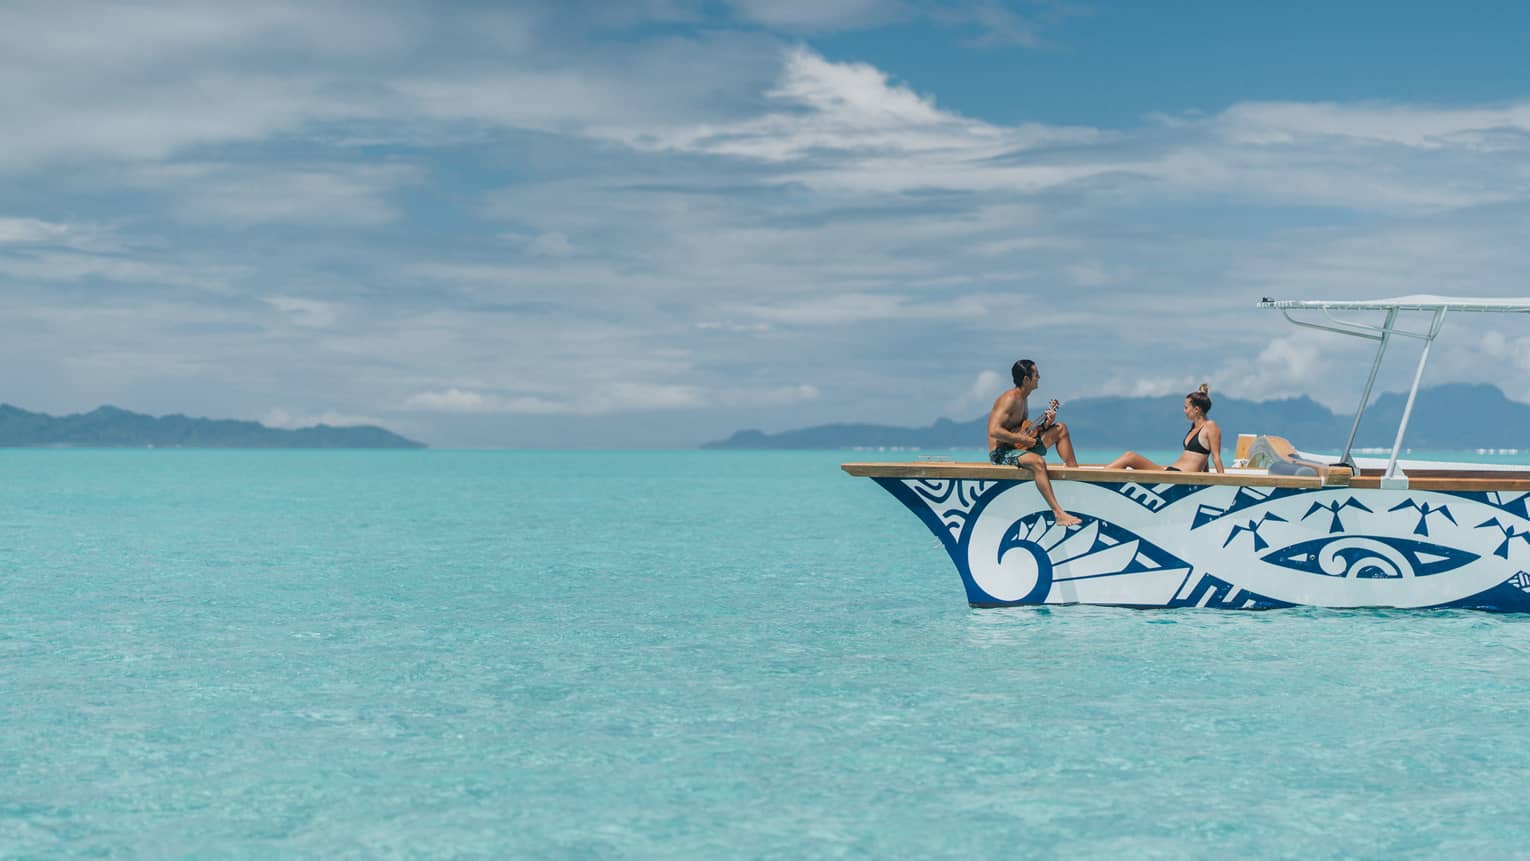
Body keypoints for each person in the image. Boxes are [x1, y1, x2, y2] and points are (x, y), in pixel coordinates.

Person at [987, 359, 1082, 527]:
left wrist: (1046, 425)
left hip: (1018, 447)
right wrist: (1022, 439)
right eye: (1036, 375)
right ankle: (1058, 513)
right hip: (1001, 453)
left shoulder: (1024, 399)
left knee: (1060, 428)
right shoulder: (1009, 399)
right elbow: (994, 431)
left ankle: (1076, 478)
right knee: (1038, 462)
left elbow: (1022, 429)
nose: (1039, 377)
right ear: (1026, 379)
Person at [1105, 384, 1225, 474]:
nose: (1184, 411)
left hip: (1180, 477)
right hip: (1171, 472)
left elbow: (1216, 457)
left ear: (1196, 409)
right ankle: (1099, 478)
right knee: (1129, 457)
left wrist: (1223, 485)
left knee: (1129, 456)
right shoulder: (1194, 427)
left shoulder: (1210, 426)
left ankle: (1096, 478)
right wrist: (1205, 477)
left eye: (1186, 407)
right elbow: (1203, 459)